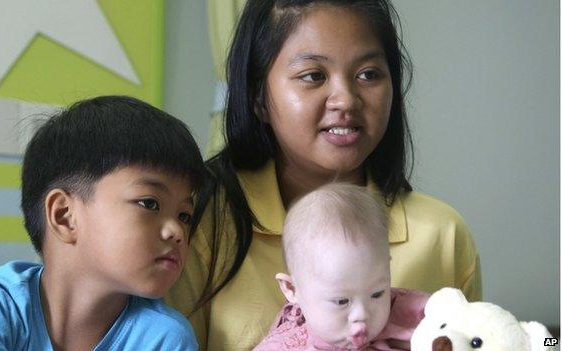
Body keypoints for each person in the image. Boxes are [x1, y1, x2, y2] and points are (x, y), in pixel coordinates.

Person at [166, 0, 482, 350]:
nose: (346, 99)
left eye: (368, 74)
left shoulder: (443, 234)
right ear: (258, 98)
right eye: (313, 76)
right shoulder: (200, 221)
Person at [0, 96, 204, 350]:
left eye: (184, 216)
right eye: (150, 203)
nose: (177, 231)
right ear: (64, 216)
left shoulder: (166, 338)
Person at [253, 183, 429, 350]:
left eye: (377, 294)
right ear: (292, 288)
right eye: (341, 301)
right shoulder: (284, 345)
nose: (362, 314)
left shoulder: (408, 314)